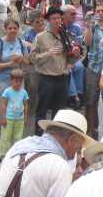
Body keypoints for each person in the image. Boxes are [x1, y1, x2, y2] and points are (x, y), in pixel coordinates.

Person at [30, 7, 81, 135]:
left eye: (59, 18)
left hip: (62, 78)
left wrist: (75, 54)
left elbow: (70, 60)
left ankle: (54, 138)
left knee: (59, 113)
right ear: (48, 20)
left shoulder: (65, 35)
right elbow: (32, 58)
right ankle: (39, 137)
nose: (57, 20)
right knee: (42, 110)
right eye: (54, 18)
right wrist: (48, 53)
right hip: (46, 78)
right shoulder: (41, 37)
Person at [0, 18, 29, 140]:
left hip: (18, 81)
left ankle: (14, 136)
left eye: (15, 28)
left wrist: (21, 60)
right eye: (10, 28)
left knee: (17, 108)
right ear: (5, 29)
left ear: (18, 29)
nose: (12, 30)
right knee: (1, 108)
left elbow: (27, 62)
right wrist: (10, 64)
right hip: (2, 79)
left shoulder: (22, 43)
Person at [84, 2, 103, 137]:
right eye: (98, 11)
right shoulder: (92, 27)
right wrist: (88, 26)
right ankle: (90, 129)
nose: (100, 13)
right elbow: (87, 43)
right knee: (91, 100)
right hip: (94, 67)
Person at [0, 69, 29, 158]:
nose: (18, 83)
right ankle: (3, 154)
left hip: (20, 119)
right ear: (11, 80)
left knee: (18, 137)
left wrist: (25, 117)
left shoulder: (24, 92)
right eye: (16, 81)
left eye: (20, 81)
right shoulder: (7, 91)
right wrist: (3, 117)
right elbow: (3, 105)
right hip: (9, 118)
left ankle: (15, 154)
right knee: (6, 137)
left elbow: (26, 105)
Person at [62, 5, 85, 109]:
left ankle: (78, 93)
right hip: (61, 57)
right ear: (64, 14)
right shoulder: (59, 27)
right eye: (72, 14)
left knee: (79, 67)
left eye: (76, 13)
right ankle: (73, 97)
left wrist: (75, 50)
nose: (75, 16)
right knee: (68, 70)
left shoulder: (77, 27)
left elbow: (78, 45)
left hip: (74, 55)